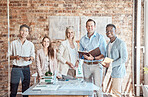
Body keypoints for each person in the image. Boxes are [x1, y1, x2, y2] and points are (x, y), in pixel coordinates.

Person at [79, 19, 106, 97]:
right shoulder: (82, 39)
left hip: (97, 65)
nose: (90, 27)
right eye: (88, 26)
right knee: (87, 88)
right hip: (86, 65)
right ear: (86, 27)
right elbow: (80, 53)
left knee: (98, 87)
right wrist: (83, 55)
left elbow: (103, 54)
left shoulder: (100, 38)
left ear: (94, 27)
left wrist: (93, 58)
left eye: (91, 26)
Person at [8, 24, 35, 97]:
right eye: (22, 30)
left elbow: (33, 57)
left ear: (28, 33)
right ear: (19, 31)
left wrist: (28, 58)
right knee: (13, 90)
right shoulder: (13, 43)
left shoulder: (31, 44)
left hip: (26, 68)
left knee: (25, 91)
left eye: (26, 31)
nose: (24, 32)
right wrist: (15, 57)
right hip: (16, 68)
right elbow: (9, 56)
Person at [104, 24, 128, 96]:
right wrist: (105, 63)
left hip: (118, 71)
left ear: (115, 31)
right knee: (112, 92)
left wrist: (111, 64)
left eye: (111, 30)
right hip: (110, 72)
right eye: (107, 31)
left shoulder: (120, 43)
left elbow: (124, 58)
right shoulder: (108, 44)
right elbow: (109, 57)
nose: (109, 32)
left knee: (117, 93)